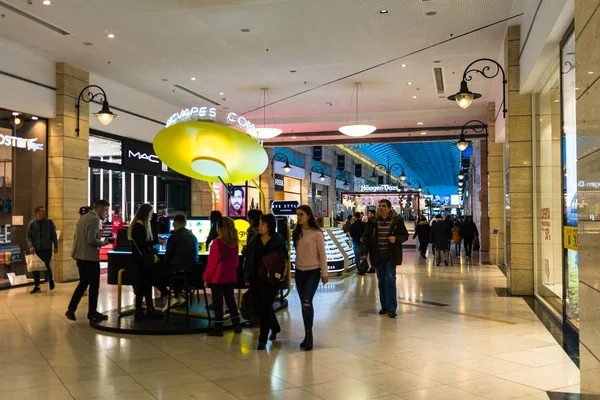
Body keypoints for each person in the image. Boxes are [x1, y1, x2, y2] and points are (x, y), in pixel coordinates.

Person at [244, 214, 287, 350]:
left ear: (269, 225)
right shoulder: (254, 241)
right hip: (257, 278)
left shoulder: (278, 240)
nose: (260, 226)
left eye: (263, 223)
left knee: (266, 305)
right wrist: (247, 277)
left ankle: (262, 339)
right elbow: (249, 260)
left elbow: (283, 259)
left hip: (271, 279)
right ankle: (275, 327)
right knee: (263, 306)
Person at [360, 199, 409, 318]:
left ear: (389, 208)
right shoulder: (372, 222)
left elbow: (405, 235)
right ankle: (384, 306)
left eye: (383, 206)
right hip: (377, 256)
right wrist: (363, 252)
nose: (380, 208)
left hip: (391, 255)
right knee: (381, 282)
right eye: (379, 206)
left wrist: (396, 239)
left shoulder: (397, 221)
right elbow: (366, 237)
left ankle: (392, 307)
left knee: (390, 280)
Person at [65, 199, 111, 322]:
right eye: (105, 210)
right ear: (99, 207)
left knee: (83, 282)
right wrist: (103, 243)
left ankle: (71, 308)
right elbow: (91, 240)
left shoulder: (83, 217)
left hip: (80, 255)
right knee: (94, 285)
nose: (106, 213)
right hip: (89, 257)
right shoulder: (94, 219)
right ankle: (92, 313)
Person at [293, 205, 329, 350]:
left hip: (313, 271)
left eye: (301, 214)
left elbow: (322, 253)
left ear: (309, 216)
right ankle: (307, 333)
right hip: (299, 271)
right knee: (303, 303)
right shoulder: (296, 232)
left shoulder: (316, 233)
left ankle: (309, 334)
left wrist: (324, 272)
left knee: (307, 301)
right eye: (297, 215)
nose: (299, 217)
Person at [203, 216, 242, 336]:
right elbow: (236, 262)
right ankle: (237, 325)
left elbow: (212, 263)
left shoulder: (217, 243)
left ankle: (218, 328)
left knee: (218, 302)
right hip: (230, 276)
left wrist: (206, 278)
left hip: (218, 277)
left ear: (220, 228)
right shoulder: (235, 243)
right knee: (231, 300)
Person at [129, 203, 161, 321]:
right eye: (151, 213)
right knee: (143, 286)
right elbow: (142, 243)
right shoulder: (139, 225)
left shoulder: (140, 224)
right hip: (141, 261)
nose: (152, 216)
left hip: (141, 260)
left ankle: (148, 309)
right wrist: (155, 243)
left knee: (146, 286)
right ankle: (140, 310)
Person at [161, 214, 199, 311]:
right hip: (193, 271)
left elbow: (168, 257)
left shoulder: (174, 237)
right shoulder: (193, 236)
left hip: (178, 270)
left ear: (175, 223)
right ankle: (179, 297)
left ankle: (171, 298)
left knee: (155, 273)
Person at [26, 206, 58, 294]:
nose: (45, 213)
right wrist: (31, 246)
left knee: (46, 265)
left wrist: (56, 245)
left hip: (46, 248)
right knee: (35, 268)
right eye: (43, 211)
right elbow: (28, 236)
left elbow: (53, 235)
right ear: (37, 212)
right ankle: (37, 286)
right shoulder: (32, 224)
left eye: (45, 211)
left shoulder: (49, 222)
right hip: (37, 250)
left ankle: (50, 280)